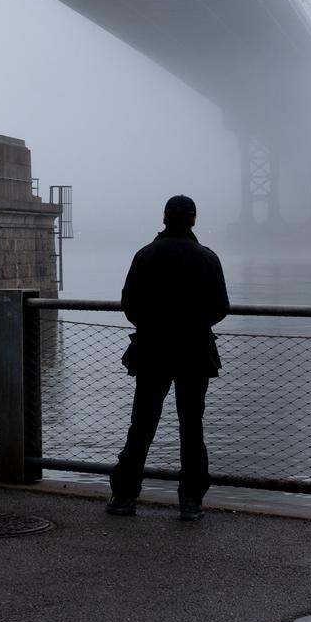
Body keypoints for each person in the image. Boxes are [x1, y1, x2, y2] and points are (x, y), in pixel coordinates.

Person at [107, 195, 229, 520]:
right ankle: (191, 502)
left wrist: (153, 326)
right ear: (193, 220)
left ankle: (124, 497)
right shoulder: (208, 258)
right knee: (192, 427)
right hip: (194, 353)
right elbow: (220, 307)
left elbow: (129, 303)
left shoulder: (145, 256)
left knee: (142, 425)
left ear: (164, 218)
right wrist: (194, 324)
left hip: (152, 351)